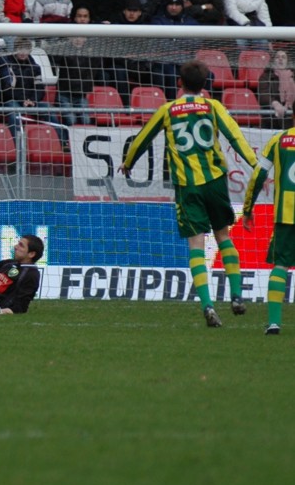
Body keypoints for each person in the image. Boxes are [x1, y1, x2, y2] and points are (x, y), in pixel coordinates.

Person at [119, 60, 258, 328]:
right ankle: (237, 295)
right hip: (215, 181)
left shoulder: (168, 110)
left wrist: (128, 162)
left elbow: (142, 138)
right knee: (223, 235)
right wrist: (254, 163)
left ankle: (207, 304)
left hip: (187, 185)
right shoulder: (213, 106)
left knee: (196, 244)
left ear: (179, 83)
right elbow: (235, 137)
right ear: (205, 85)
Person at [242, 109, 295, 335]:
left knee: (280, 265)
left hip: (286, 213)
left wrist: (247, 208)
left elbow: (258, 175)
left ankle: (274, 322)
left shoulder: (279, 139)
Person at [257, 49, 295, 130]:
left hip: (290, 121)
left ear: (288, 61)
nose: (280, 59)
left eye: (283, 57)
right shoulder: (265, 76)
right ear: (273, 61)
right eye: (277, 57)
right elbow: (263, 96)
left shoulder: (293, 77)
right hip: (271, 121)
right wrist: (275, 104)